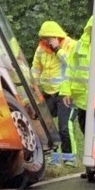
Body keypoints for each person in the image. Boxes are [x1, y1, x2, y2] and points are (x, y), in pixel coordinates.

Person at [31, 20, 76, 161]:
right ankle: (52, 157)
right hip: (47, 93)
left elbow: (72, 63)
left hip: (64, 93)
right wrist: (34, 86)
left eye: (48, 38)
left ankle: (69, 159)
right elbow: (36, 68)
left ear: (56, 36)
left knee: (64, 127)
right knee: (44, 126)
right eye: (43, 38)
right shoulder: (41, 48)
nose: (45, 41)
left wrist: (57, 49)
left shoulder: (70, 44)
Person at [61, 15, 93, 162]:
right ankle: (90, 165)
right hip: (82, 99)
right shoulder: (80, 45)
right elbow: (70, 69)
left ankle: (93, 163)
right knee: (86, 131)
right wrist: (66, 91)